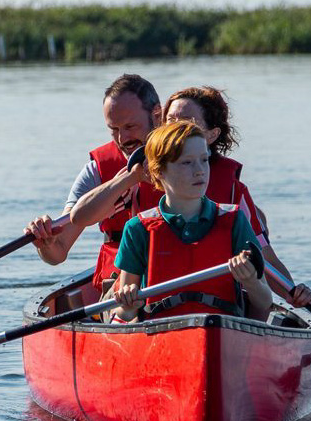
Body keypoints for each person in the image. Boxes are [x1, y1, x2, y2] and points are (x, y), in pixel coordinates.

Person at [72, 85, 311, 307]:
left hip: (217, 307)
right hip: (147, 304)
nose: (177, 128)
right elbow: (79, 218)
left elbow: (264, 257)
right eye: (170, 120)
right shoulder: (139, 176)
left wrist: (292, 294)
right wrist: (128, 178)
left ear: (210, 135)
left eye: (187, 121)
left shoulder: (232, 196)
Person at [111, 121, 272, 323]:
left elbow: (265, 301)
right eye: (187, 163)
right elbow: (124, 316)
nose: (199, 171)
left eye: (204, 160)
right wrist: (127, 307)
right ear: (159, 171)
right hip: (159, 339)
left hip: (223, 334)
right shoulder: (137, 229)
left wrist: (251, 282)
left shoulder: (234, 219)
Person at [25, 74, 162, 294]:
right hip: (120, 288)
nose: (122, 139)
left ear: (157, 115)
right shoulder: (97, 169)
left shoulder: (192, 160)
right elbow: (58, 252)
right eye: (114, 129)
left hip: (175, 276)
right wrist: (47, 243)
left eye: (130, 126)